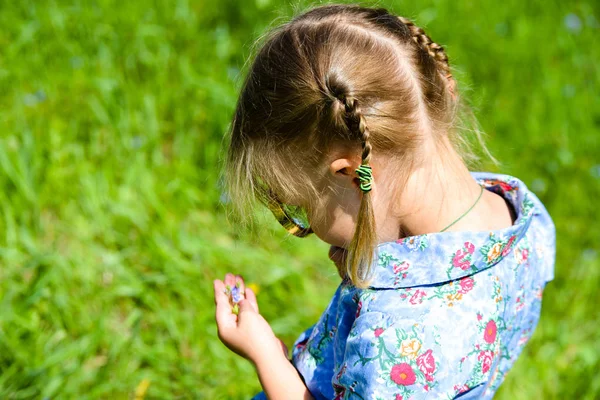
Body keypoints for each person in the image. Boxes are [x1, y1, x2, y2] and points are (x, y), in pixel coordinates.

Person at [212, 4, 556, 399]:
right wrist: (374, 269)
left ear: (348, 171)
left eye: (299, 210)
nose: (307, 226)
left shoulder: (393, 342)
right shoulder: (523, 214)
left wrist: (266, 353)